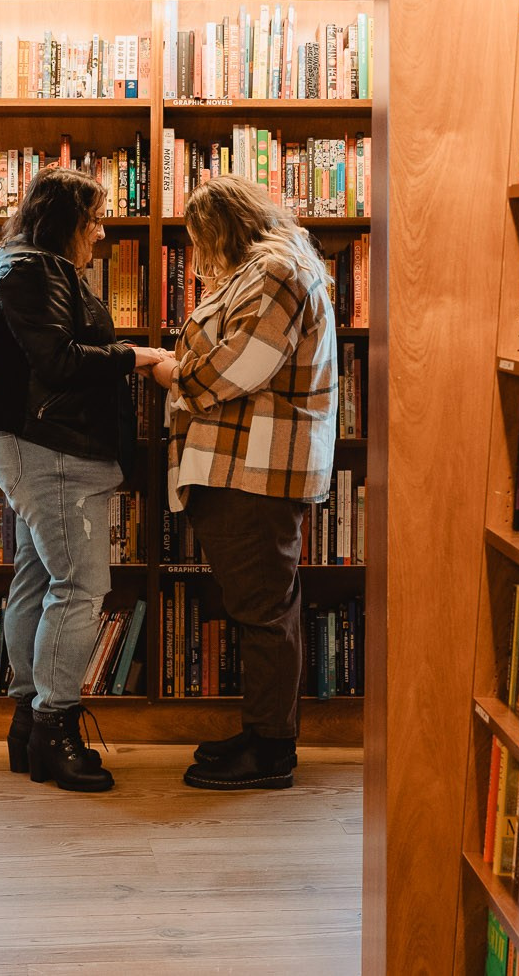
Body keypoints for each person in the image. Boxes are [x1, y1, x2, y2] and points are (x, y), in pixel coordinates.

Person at [0, 167, 163, 792]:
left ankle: (28, 722)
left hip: (39, 444)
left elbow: (51, 352)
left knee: (36, 576)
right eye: (93, 221)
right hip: (50, 448)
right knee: (79, 584)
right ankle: (54, 727)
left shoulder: (20, 264)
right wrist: (139, 357)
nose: (100, 235)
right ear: (66, 222)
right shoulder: (33, 270)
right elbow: (59, 361)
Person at [150, 176, 338, 791]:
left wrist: (171, 372)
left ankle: (271, 752)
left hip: (254, 470)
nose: (199, 256)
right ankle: (263, 734)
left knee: (263, 610)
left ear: (221, 228)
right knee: (262, 607)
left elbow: (237, 367)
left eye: (200, 239)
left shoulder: (275, 272)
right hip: (243, 468)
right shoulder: (266, 272)